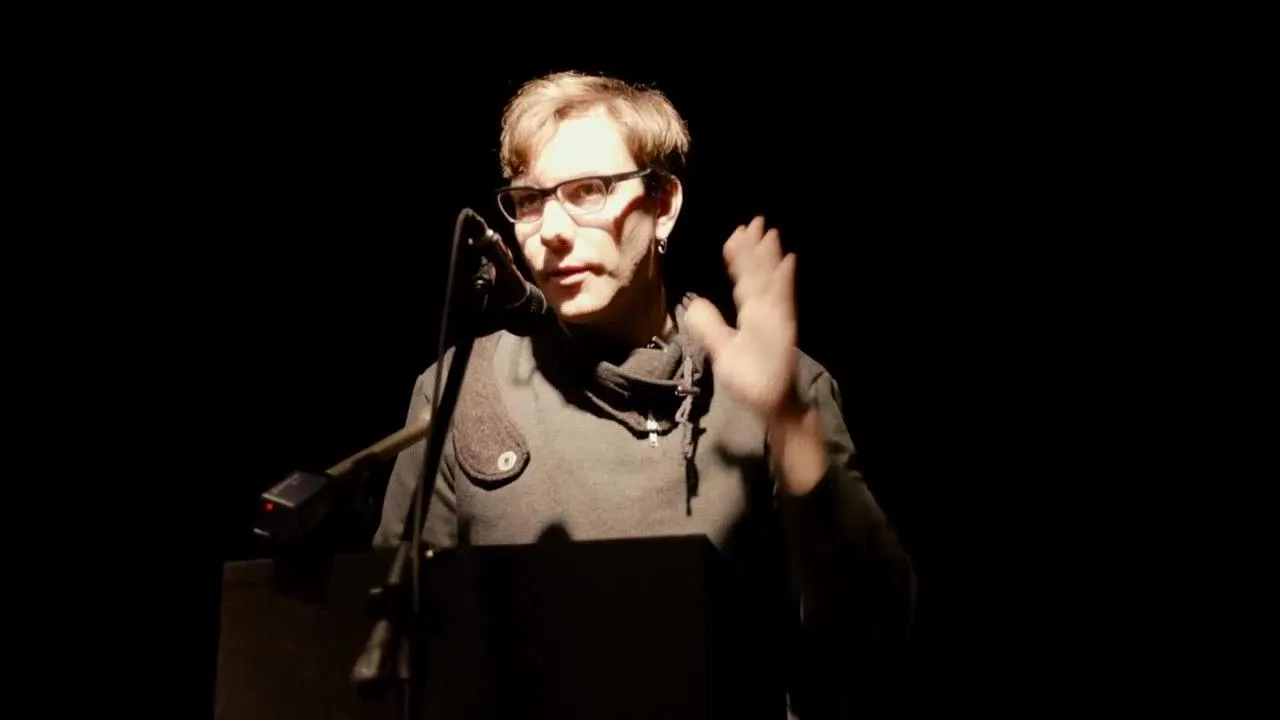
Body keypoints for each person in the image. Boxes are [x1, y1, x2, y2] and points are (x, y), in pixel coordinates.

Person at [374, 70, 916, 718]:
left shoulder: (778, 392)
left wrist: (789, 425)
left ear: (663, 204)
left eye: (589, 191)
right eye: (530, 200)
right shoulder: (464, 388)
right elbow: (394, 654)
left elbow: (875, 638)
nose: (552, 229)